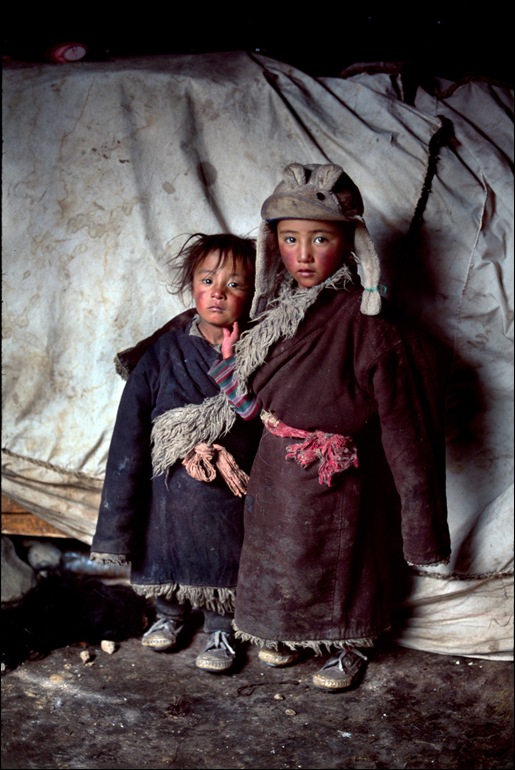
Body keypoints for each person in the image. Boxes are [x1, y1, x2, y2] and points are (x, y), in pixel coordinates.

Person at [208, 163, 452, 692]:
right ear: (272, 245)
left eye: (320, 238)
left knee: (345, 559)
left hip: (336, 471)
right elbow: (252, 403)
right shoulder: (270, 316)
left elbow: (407, 435)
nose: (302, 254)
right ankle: (279, 631)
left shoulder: (372, 326)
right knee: (277, 550)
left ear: (351, 243)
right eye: (289, 238)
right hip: (276, 464)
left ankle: (351, 643)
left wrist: (422, 529)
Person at [90, 233, 262, 674]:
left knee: (225, 555)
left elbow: (264, 416)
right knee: (162, 546)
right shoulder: (163, 353)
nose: (219, 292)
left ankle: (223, 627)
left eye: (235, 284)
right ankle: (169, 613)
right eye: (208, 279)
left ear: (253, 293)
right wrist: (115, 525)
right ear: (192, 286)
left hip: (229, 486)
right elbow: (129, 432)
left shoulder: (260, 349)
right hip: (166, 488)